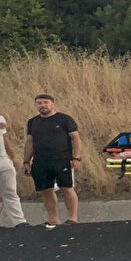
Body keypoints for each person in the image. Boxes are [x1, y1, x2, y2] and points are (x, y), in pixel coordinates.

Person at [23, 94, 82, 227]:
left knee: (66, 188)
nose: (43, 105)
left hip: (62, 160)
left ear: (52, 104)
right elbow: (30, 142)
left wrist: (76, 157)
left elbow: (76, 139)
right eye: (39, 103)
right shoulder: (33, 122)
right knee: (46, 190)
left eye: (45, 102)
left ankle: (72, 218)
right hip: (41, 161)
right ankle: (53, 219)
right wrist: (26, 161)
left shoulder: (64, 119)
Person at [0, 95, 30, 227]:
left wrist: (13, 156)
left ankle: (19, 222)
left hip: (2, 160)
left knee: (10, 192)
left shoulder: (0, 119)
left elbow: (4, 138)